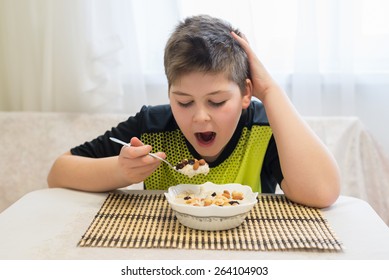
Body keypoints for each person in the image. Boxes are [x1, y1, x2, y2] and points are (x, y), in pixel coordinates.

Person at [47, 15, 340, 208]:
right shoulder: (153, 126)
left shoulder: (262, 127)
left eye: (216, 102)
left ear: (245, 94)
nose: (200, 117)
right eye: (184, 102)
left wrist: (270, 90)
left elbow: (322, 192)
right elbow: (58, 173)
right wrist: (120, 170)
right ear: (169, 95)